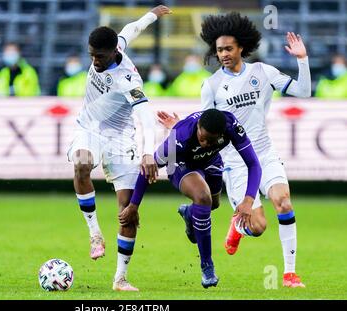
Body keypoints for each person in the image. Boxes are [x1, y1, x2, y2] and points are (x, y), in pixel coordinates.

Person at [158, 12, 311, 288]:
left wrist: (302, 59)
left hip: (263, 152)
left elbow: (303, 91)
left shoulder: (263, 72)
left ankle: (289, 274)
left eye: (228, 48)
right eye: (219, 50)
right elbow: (202, 126)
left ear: (241, 47)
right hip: (235, 162)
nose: (224, 54)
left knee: (284, 202)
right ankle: (239, 225)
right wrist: (177, 126)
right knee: (259, 226)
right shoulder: (212, 85)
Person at [67, 5, 172, 291]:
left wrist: (148, 152)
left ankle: (120, 278)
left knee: (128, 211)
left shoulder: (129, 79)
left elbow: (145, 115)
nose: (94, 61)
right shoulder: (114, 45)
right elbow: (131, 30)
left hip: (121, 138)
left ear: (114, 53)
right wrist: (152, 14)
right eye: (91, 55)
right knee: (82, 163)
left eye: (99, 56)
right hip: (90, 128)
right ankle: (95, 234)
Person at [119, 109, 262, 288]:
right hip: (181, 165)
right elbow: (147, 169)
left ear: (221, 133)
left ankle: (189, 213)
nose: (204, 143)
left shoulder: (230, 125)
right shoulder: (179, 139)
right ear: (198, 127)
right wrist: (133, 205)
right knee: (203, 197)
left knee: (213, 204)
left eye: (211, 140)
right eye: (202, 137)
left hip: (211, 162)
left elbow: (254, 164)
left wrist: (248, 200)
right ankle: (207, 266)